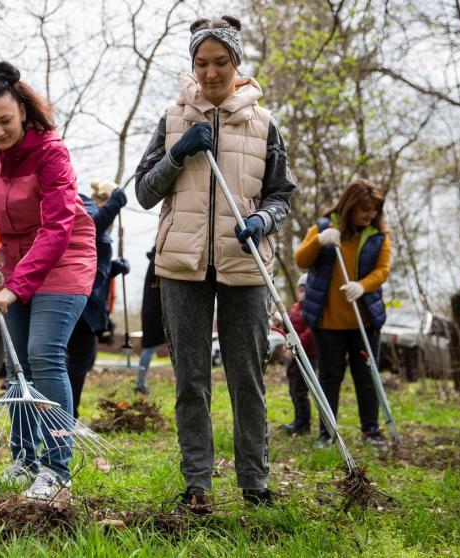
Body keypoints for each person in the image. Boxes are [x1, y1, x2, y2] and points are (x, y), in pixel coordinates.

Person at [134, 16, 296, 509]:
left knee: (247, 379)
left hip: (245, 266)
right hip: (181, 266)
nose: (210, 73)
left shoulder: (264, 124)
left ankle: (255, 485)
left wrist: (262, 221)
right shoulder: (173, 119)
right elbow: (144, 192)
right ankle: (197, 485)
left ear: (236, 62)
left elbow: (281, 195)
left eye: (220, 62)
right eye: (201, 63)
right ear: (192, 64)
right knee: (191, 381)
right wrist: (178, 154)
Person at [0, 61, 96, 501]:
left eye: (5, 120)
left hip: (65, 254)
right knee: (16, 361)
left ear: (22, 111)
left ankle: (57, 469)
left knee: (43, 352)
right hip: (13, 257)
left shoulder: (51, 152)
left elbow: (58, 227)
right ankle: (24, 460)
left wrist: (15, 287)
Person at [295, 178, 391, 450]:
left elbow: (383, 270)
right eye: (365, 209)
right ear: (350, 206)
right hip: (327, 321)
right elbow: (301, 260)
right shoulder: (323, 228)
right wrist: (319, 241)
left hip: (364, 321)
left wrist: (362, 286)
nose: (370, 215)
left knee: (366, 376)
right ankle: (327, 433)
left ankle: (371, 430)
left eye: (374, 210)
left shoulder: (377, 235)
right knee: (329, 376)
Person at [66, 179, 130, 419]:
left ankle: (67, 413)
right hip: (80, 298)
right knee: (78, 359)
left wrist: (114, 267)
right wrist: (117, 202)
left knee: (84, 358)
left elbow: (92, 260)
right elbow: (92, 227)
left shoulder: (92, 211)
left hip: (89, 299)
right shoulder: (86, 206)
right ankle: (67, 415)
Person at [280, 273, 315, 436]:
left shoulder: (312, 310)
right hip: (293, 356)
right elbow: (289, 329)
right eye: (301, 290)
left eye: (306, 290)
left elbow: (309, 333)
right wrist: (287, 343)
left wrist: (296, 348)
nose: (303, 294)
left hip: (307, 356)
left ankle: (303, 424)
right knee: (293, 389)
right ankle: (297, 420)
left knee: (300, 391)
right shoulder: (294, 308)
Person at [136, 247, 164, 396]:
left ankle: (140, 383)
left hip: (156, 310)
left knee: (149, 348)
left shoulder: (156, 258)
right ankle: (140, 384)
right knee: (149, 348)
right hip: (154, 312)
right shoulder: (157, 260)